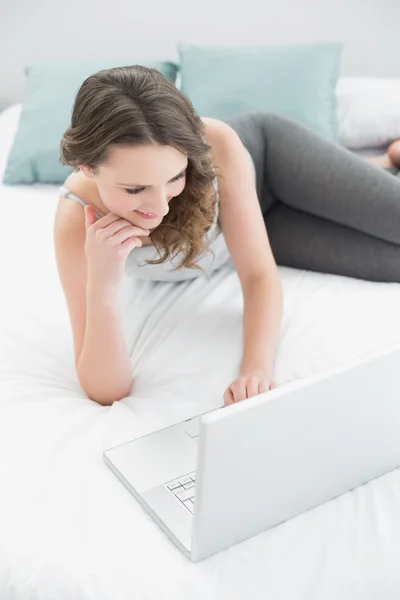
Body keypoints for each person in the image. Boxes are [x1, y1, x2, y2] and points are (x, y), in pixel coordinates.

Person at [54, 65, 400, 408]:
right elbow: (106, 390)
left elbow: (258, 276)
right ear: (87, 167)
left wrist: (255, 369)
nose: (159, 207)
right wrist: (102, 284)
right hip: (257, 226)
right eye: (135, 189)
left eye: (176, 177)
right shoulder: (76, 221)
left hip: (269, 165)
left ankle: (382, 163)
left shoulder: (216, 141)